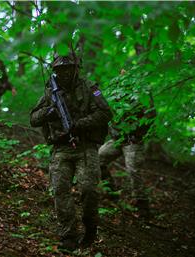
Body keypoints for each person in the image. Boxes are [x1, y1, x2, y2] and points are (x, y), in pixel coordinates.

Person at [30, 53, 112, 250]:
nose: (64, 73)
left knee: (89, 190)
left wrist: (79, 124)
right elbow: (33, 118)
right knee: (60, 190)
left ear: (76, 69)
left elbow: (105, 113)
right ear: (55, 72)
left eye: (68, 69)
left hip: (85, 146)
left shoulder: (90, 88)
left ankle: (90, 228)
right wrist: (49, 111)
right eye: (60, 70)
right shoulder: (51, 92)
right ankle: (69, 236)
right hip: (60, 147)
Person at [98, 69, 156, 217]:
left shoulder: (138, 97)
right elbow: (102, 104)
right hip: (117, 140)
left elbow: (150, 115)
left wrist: (138, 134)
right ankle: (111, 191)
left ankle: (143, 206)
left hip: (133, 142)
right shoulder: (113, 96)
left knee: (133, 171)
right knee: (97, 159)